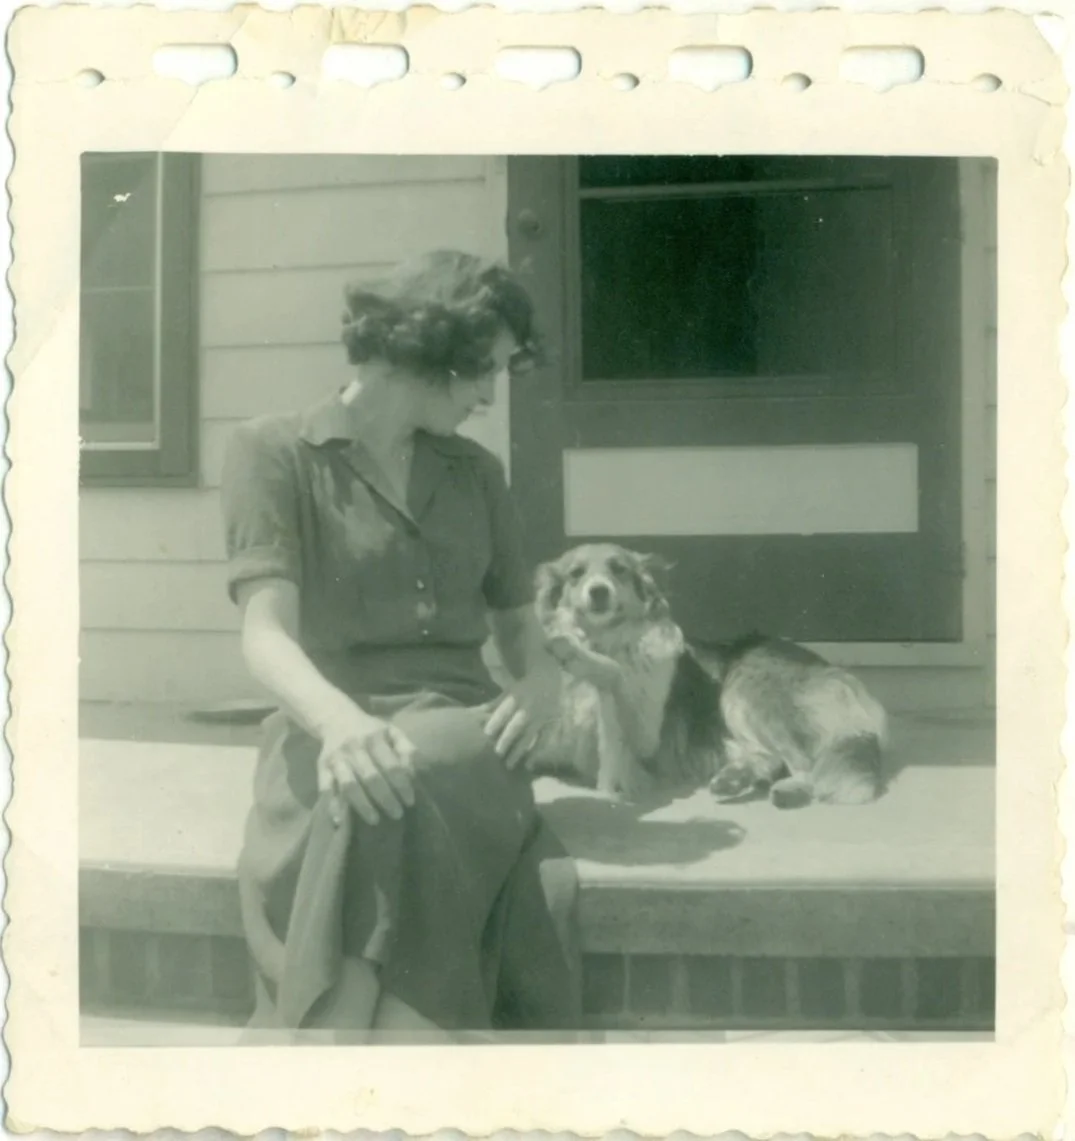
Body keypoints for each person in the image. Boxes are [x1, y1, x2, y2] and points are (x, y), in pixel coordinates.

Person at [221, 250, 581, 1040]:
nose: (491, 395)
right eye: (482, 371)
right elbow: (265, 630)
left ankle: (330, 1049)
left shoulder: (476, 472)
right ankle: (404, 1053)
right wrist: (340, 725)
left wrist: (538, 681)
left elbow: (520, 628)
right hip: (324, 728)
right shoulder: (272, 452)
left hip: (460, 730)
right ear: (428, 349)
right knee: (377, 774)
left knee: (405, 762)